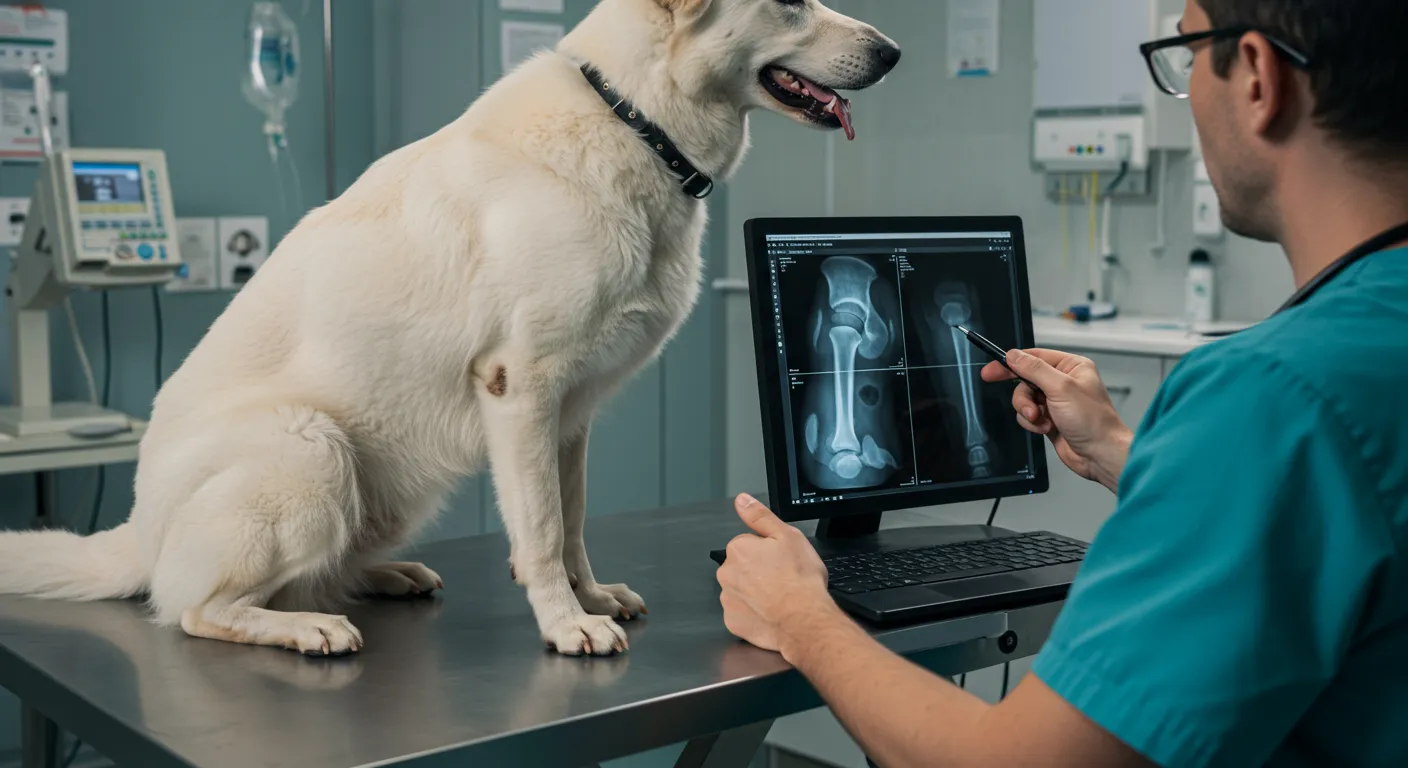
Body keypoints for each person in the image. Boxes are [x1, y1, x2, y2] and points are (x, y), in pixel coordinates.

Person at [716, 0, 1408, 765]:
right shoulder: (1338, 377)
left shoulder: (1275, 396)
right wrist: (1125, 451)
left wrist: (798, 615)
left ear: (1256, 76)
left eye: (1184, 57)